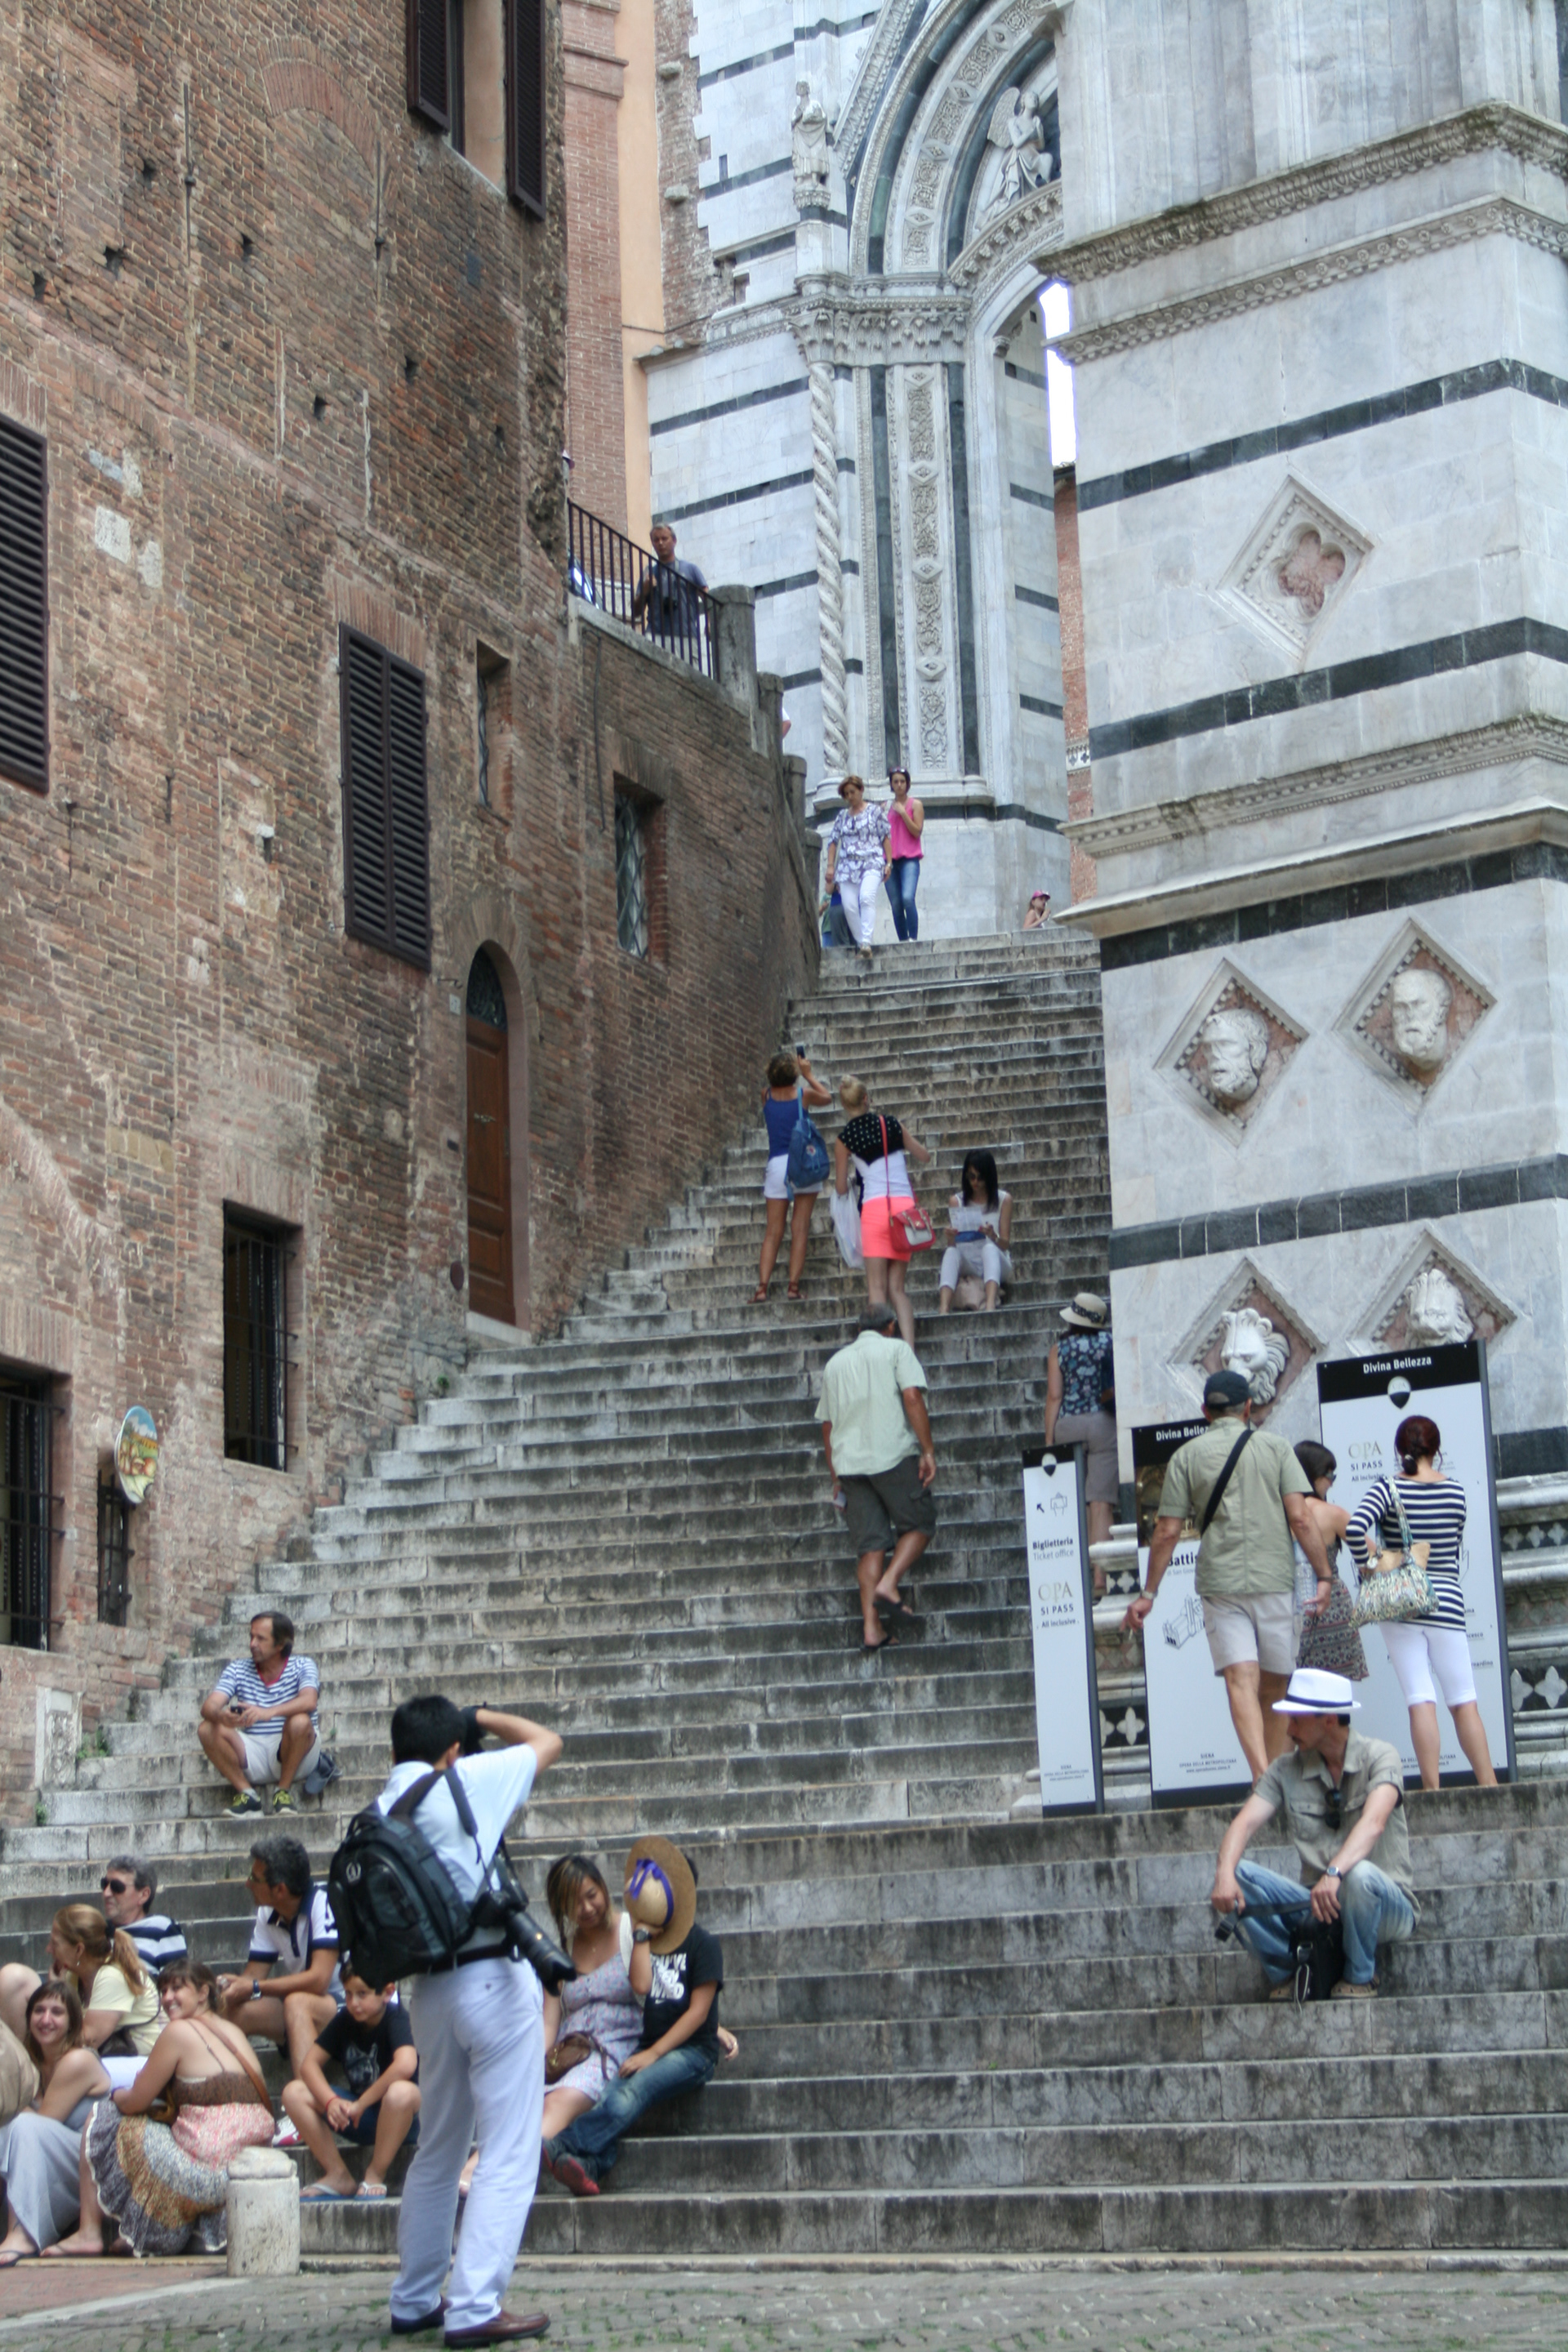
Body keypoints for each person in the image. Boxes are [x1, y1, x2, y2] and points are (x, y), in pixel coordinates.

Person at [378, 1696, 561, 2348]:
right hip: (491, 1978)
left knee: (438, 2148)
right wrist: (481, 1715)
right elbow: (547, 1741)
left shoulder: (382, 1810)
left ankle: (415, 2298)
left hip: (425, 1991)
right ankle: (476, 2305)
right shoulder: (467, 1780)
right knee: (509, 2148)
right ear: (451, 1747)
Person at [1123, 1370, 1334, 1781]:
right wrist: (1324, 1574)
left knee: (1241, 1680)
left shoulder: (1186, 1456)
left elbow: (1166, 1530)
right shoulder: (1275, 1448)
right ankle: (1272, 1777)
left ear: (1205, 1411)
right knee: (1275, 1687)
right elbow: (1301, 1519)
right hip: (1274, 1577)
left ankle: (1261, 1778)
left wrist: (1149, 1592)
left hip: (1221, 1583)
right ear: (1249, 1408)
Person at [1210, 1666, 1418, 1998]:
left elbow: (1374, 1823)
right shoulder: (1285, 1768)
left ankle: (1360, 1977)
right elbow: (1244, 1823)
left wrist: (1335, 1872)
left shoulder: (1381, 1756)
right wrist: (1224, 1874)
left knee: (1360, 1875)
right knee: (1237, 1874)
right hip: (1317, 1905)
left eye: (1297, 1719)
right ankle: (1290, 1971)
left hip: (1384, 1906)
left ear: (1329, 1721)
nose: (1289, 1729)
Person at [542, 1838, 722, 2198]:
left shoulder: (703, 1945)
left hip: (691, 2052)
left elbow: (699, 2011)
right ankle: (591, 2166)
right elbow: (640, 1984)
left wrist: (653, 2054)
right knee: (613, 2095)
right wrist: (641, 1935)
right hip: (648, 2045)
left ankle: (563, 2144)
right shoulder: (648, 1944)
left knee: (630, 2094)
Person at [57, 1961, 274, 2257]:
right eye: (163, 1990)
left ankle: (89, 2232)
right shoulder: (233, 2030)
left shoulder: (178, 2031)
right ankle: (150, 2232)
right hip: (248, 2168)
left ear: (202, 1993)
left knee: (104, 2115)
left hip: (208, 2177)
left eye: (177, 1989)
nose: (168, 1997)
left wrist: (117, 2095)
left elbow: (135, 2101)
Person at [1343, 1414, 1498, 1792]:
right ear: (1437, 1449)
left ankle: (1432, 1791)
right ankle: (1491, 1785)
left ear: (1400, 1450)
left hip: (1403, 1602)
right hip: (1447, 1601)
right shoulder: (1457, 1491)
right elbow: (1451, 1546)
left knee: (1420, 1699)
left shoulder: (1387, 1488)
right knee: (1464, 1700)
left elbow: (1353, 1527)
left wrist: (1373, 1563)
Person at [819, 1305, 937, 1654]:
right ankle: (889, 1583)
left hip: (850, 1465)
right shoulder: (897, 1349)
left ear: (858, 1328)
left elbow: (827, 1426)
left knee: (870, 1546)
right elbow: (912, 1396)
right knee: (920, 1524)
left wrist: (835, 1477)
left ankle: (872, 1629)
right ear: (891, 1326)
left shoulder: (835, 1364)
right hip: (891, 1455)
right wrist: (928, 1450)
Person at [285, 1971, 421, 2204]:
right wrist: (331, 2101)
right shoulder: (345, 2019)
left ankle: (376, 2173)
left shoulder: (396, 2018)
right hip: (360, 2118)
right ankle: (338, 2175)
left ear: (387, 1993)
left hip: (400, 2121)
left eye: (362, 1994)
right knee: (294, 2092)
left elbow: (406, 2064)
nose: (353, 2003)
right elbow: (309, 2066)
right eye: (348, 1994)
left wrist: (362, 2103)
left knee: (401, 2092)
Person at [0, 1980, 110, 2265]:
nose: (46, 2019)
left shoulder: (78, 2061)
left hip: (94, 2163)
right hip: (62, 2161)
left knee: (21, 2126)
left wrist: (16, 2102)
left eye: (57, 2012)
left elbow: (41, 2127)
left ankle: (22, 2233)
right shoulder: (33, 2064)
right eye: (39, 2011)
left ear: (72, 2021)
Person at [219, 1834, 343, 2080]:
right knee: (228, 2009)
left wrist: (254, 1987)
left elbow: (319, 1980)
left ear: (280, 1889)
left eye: (255, 1878)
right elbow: (253, 1976)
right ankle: (235, 2099)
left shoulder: (325, 1902)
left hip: (352, 2008)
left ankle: (304, 2104)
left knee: (297, 2002)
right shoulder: (267, 1912)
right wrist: (229, 1989)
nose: (247, 1883)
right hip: (305, 2009)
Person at [0, 1905, 162, 2072]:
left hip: (142, 2064)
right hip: (100, 2059)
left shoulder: (112, 1977)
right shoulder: (74, 1974)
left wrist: (58, 1991)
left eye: (55, 1944)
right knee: (13, 1978)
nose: (48, 1949)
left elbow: (85, 2042)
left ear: (79, 1950)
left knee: (75, 2064)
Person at [834, 1079, 933, 1347]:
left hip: (875, 1211)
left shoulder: (844, 1140)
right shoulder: (891, 1123)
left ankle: (879, 1350)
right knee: (897, 1289)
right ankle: (909, 1349)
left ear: (844, 1105)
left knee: (876, 1289)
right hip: (904, 1211)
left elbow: (841, 1187)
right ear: (867, 1098)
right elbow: (923, 1155)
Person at [198, 1610, 321, 1817]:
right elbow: (208, 1706)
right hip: (252, 1749)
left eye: (260, 1639)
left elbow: (309, 1700)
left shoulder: (302, 1665)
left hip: (295, 1751)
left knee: (300, 1721)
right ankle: (248, 1795)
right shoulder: (237, 1669)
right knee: (207, 1727)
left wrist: (268, 1713)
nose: (252, 1644)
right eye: (251, 1637)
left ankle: (283, 1792)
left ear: (281, 1644)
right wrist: (222, 1717)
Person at [1045, 1293, 1117, 1590]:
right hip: (1104, 1423)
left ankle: (1078, 1574)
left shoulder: (1059, 1349)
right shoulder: (1111, 1344)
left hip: (1068, 1425)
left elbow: (1054, 1397)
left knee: (1074, 1503)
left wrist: (1049, 1440)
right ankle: (1100, 1577)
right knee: (1100, 1503)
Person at [754, 1050, 832, 1305]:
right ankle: (793, 1286)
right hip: (802, 1162)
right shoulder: (803, 1095)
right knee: (800, 1228)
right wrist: (808, 1074)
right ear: (794, 1075)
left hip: (777, 1165)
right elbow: (828, 1098)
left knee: (773, 1230)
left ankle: (762, 1288)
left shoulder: (766, 1096)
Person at [1291, 1441, 1367, 1682]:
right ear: (1310, 1474)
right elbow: (1372, 1556)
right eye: (1329, 1473)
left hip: (1288, 1610)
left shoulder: (1276, 1514)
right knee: (1335, 1696)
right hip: (1332, 1609)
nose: (1333, 1481)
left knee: (1293, 1695)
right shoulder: (1332, 1514)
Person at [823, 777, 891, 960]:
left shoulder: (875, 812)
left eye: (853, 792)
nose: (850, 796)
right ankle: (862, 943)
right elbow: (833, 842)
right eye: (846, 794)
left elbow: (885, 837)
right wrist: (831, 866)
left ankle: (866, 941)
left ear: (861, 790)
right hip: (847, 866)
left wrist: (889, 863)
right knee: (849, 906)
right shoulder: (842, 817)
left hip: (871, 861)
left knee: (866, 897)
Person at [938, 1150, 1013, 1314]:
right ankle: (943, 1309)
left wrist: (993, 1236)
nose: (976, 1182)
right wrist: (950, 1238)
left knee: (989, 1248)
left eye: (980, 1178)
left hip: (996, 1260)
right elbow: (954, 1245)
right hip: (969, 1260)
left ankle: (990, 1305)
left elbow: (1005, 1244)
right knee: (950, 1252)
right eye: (971, 1177)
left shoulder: (1003, 1200)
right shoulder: (957, 1201)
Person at [98, 1856, 189, 1976]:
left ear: (144, 1895)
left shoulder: (162, 1929)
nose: (106, 1893)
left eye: (117, 1887)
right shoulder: (97, 1931)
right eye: (104, 1884)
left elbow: (179, 1985)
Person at [630, 522, 707, 648]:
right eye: (656, 540)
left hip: (686, 636)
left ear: (674, 541)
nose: (660, 543)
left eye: (664, 539)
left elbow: (707, 598)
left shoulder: (691, 569)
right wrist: (645, 590)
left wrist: (709, 623)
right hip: (656, 636)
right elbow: (636, 612)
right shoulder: (649, 573)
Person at [884, 768, 924, 941]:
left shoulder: (915, 804)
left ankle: (913, 939)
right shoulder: (886, 806)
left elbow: (917, 831)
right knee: (896, 904)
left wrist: (902, 813)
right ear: (891, 785)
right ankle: (902, 941)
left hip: (910, 859)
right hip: (890, 861)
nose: (899, 785)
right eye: (896, 782)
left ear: (907, 783)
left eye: (902, 781)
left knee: (908, 898)